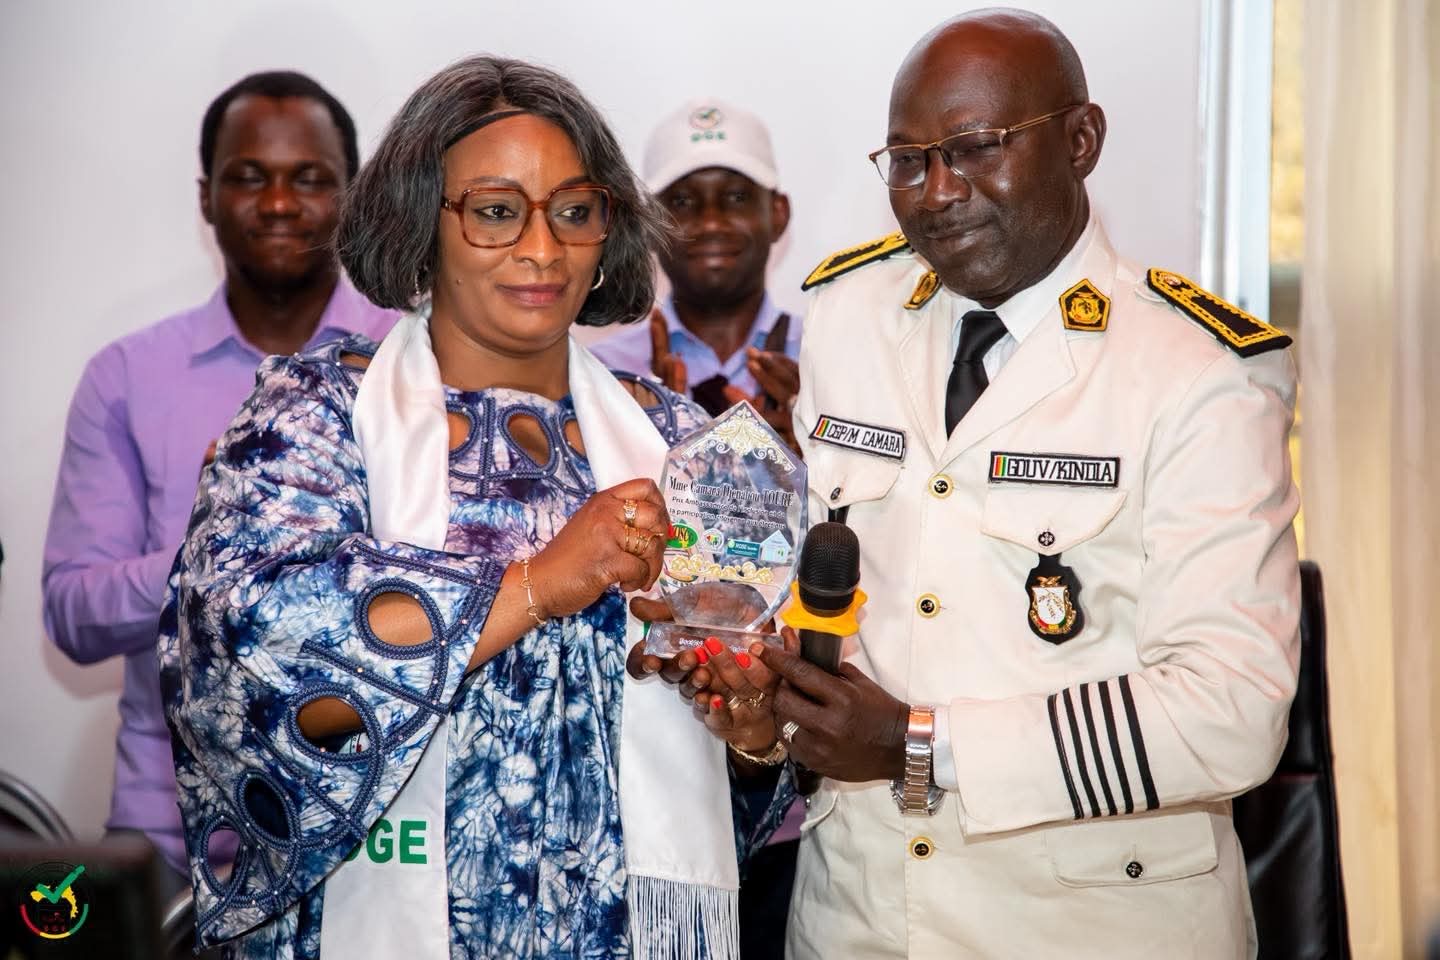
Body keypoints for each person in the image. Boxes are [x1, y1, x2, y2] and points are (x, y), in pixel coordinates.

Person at [157, 56, 787, 958]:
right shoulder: (319, 414)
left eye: (574, 211)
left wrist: (753, 728)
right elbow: (250, 664)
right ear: (421, 222)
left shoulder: (683, 443)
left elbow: (732, 781)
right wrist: (538, 583)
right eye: (496, 212)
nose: (544, 248)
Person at [760, 10, 1301, 958]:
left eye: (976, 148)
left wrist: (920, 744)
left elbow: (1231, 708)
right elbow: (816, 595)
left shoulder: (1197, 369)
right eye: (908, 160)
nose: (938, 192)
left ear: (1081, 141)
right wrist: (752, 683)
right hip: (858, 915)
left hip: (1091, 924)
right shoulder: (846, 314)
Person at [41, 70, 395, 892]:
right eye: (249, 176)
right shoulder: (127, 377)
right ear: (206, 198)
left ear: (352, 198)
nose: (279, 203)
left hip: (373, 832)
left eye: (310, 178)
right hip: (170, 839)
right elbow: (73, 615)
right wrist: (215, 545)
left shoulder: (413, 365)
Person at [591, 98, 800, 445]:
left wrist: (818, 449)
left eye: (737, 197)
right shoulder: (603, 375)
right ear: (648, 225)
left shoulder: (827, 362)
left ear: (778, 214)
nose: (711, 223)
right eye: (682, 202)